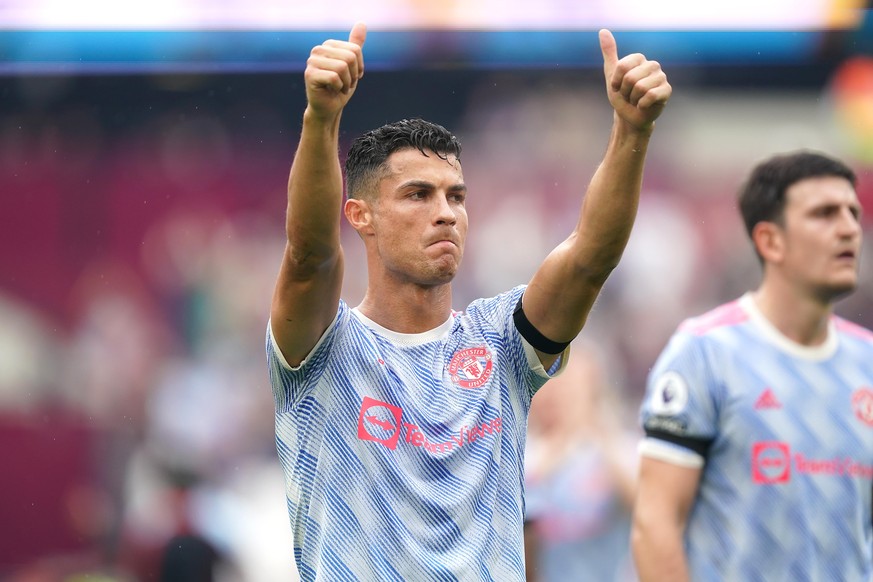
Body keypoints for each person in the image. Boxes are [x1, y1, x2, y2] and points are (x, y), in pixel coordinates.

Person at [266, 21, 671, 580]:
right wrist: (322, 118)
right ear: (360, 215)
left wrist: (632, 132)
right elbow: (309, 255)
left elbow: (590, 258)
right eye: (418, 194)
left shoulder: (501, 340)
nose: (445, 212)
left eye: (456, 196)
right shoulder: (322, 349)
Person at [632, 150, 873, 581]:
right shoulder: (705, 353)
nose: (850, 229)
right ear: (769, 241)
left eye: (853, 214)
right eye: (825, 214)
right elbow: (656, 524)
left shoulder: (867, 361)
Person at [523, 342, 638, 582]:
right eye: (556, 384)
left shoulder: (620, 449)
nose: (562, 394)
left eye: (572, 386)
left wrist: (600, 433)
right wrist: (561, 444)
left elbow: (646, 506)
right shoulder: (527, 452)